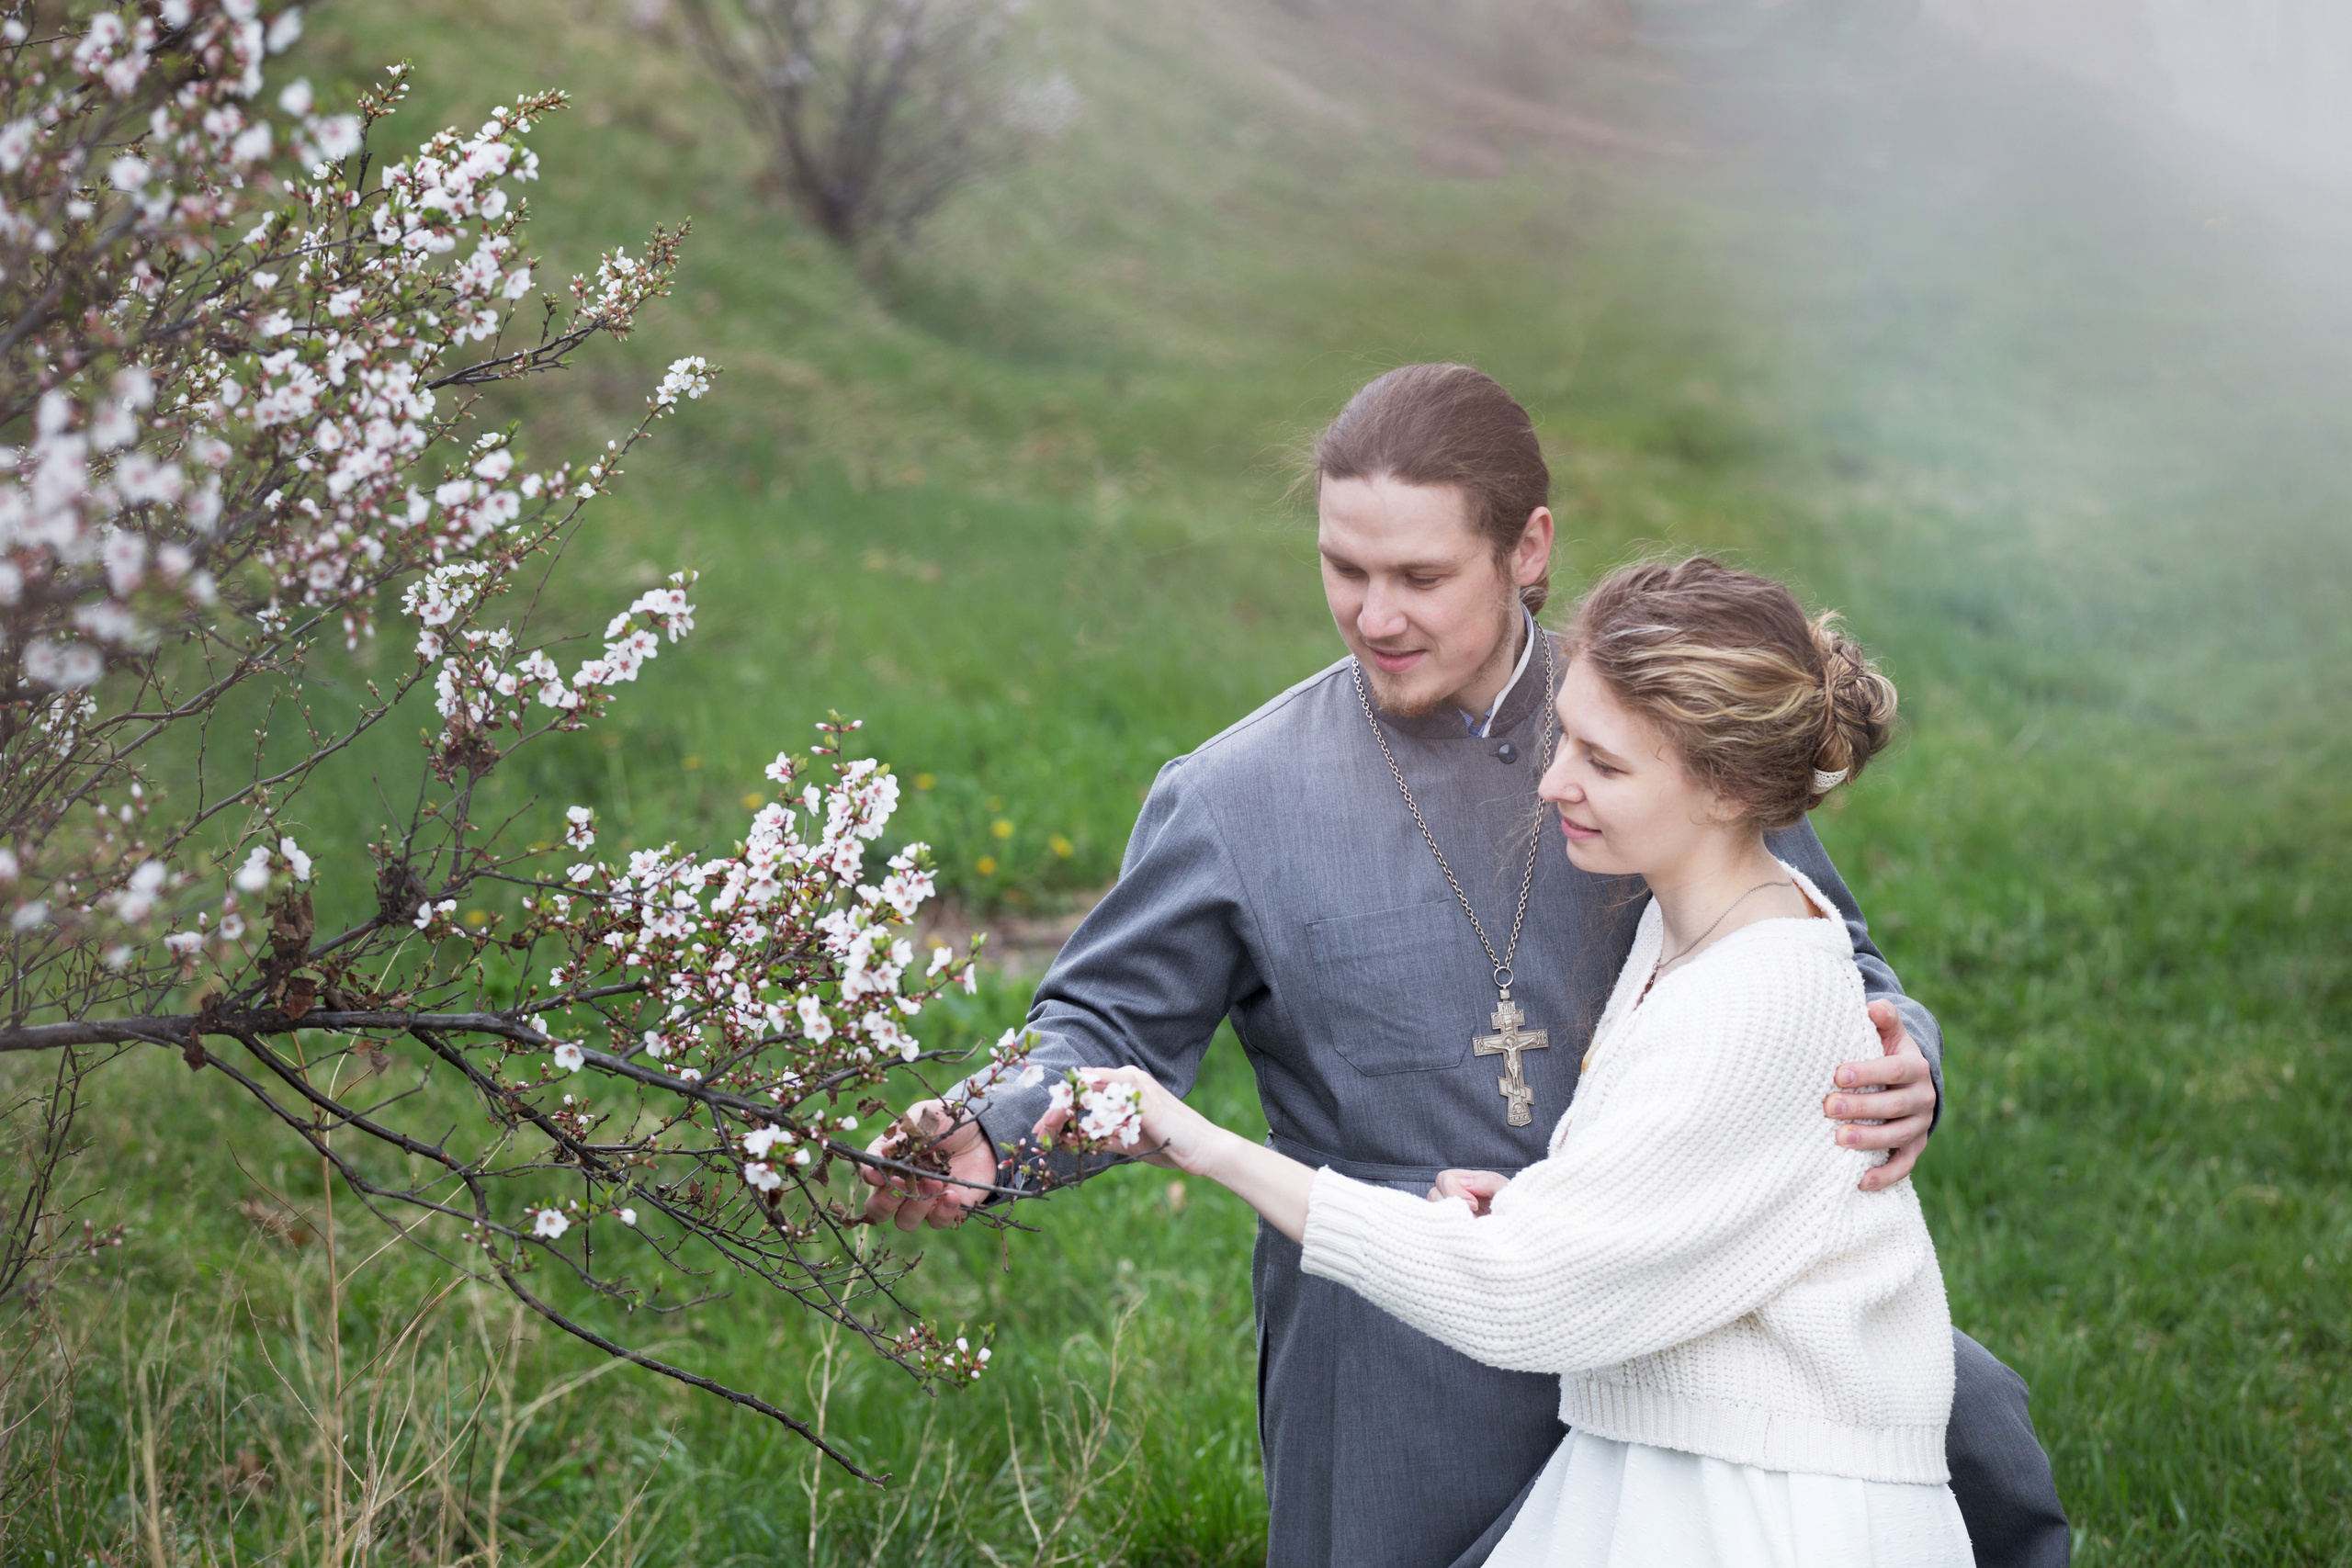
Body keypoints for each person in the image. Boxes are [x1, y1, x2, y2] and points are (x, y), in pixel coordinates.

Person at [862, 365, 2067, 1567]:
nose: (1375, 615)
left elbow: (1824, 949)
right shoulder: (1232, 796)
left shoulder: (1664, 720)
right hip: (1397, 1320)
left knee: (1965, 1439)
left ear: (1527, 548)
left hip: (1695, 1291)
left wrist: (1904, 1044)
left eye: (1422, 577)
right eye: (1345, 568)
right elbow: (1106, 1022)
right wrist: (1003, 1118)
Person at [1041, 556, 1976, 1566]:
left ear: (1725, 786)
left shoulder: (1754, 996)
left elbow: (1524, 1297)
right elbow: (1681, 1201)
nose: (1551, 781)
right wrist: (1545, 1206)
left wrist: (1199, 1144)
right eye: (1561, 734)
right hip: (1681, 1458)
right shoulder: (1686, 929)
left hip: (1768, 1512)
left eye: (1604, 764)